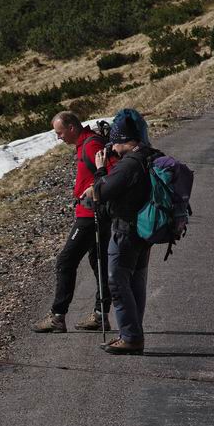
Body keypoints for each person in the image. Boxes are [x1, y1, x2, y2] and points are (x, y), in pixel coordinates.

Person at [33, 110, 115, 334]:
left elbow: (111, 171)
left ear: (71, 127)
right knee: (98, 262)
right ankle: (100, 315)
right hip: (96, 213)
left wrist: (94, 188)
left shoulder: (90, 144)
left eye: (59, 133)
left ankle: (58, 316)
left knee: (66, 261)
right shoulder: (86, 144)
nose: (58, 137)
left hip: (91, 215)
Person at [83, 109, 156, 355]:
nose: (112, 147)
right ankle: (133, 333)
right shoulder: (150, 156)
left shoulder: (129, 164)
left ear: (124, 139)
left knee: (117, 281)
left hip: (126, 230)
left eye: (114, 141)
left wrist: (100, 168)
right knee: (136, 282)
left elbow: (102, 191)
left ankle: (131, 337)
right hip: (145, 230)